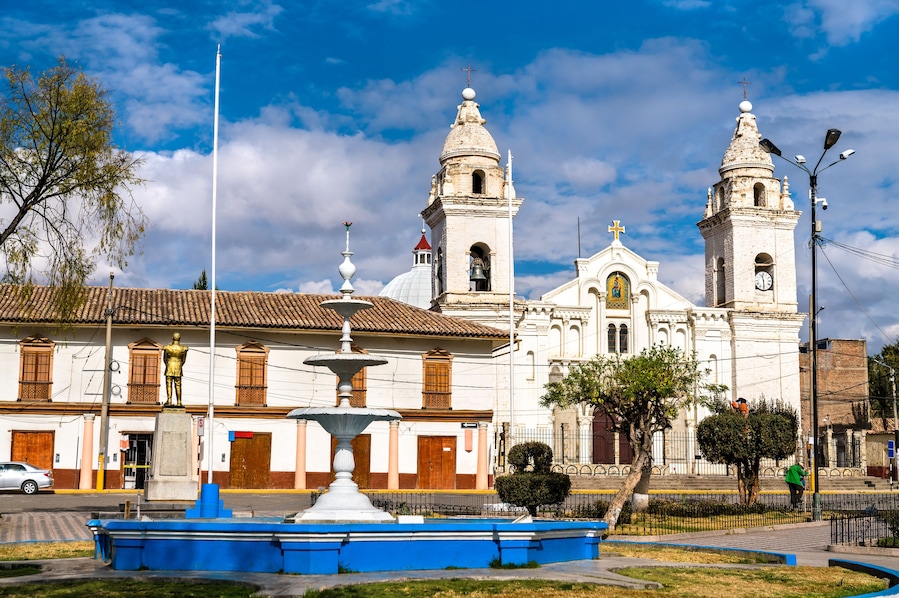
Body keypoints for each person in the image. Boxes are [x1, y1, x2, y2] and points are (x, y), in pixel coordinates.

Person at [163, 333, 189, 407]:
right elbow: (184, 360)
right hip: (178, 367)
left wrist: (168, 364)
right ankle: (179, 401)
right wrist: (180, 365)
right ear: (179, 338)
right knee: (178, 385)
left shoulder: (167, 347)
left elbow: (164, 359)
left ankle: (169, 400)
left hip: (169, 366)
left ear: (172, 338)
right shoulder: (183, 348)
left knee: (169, 384)